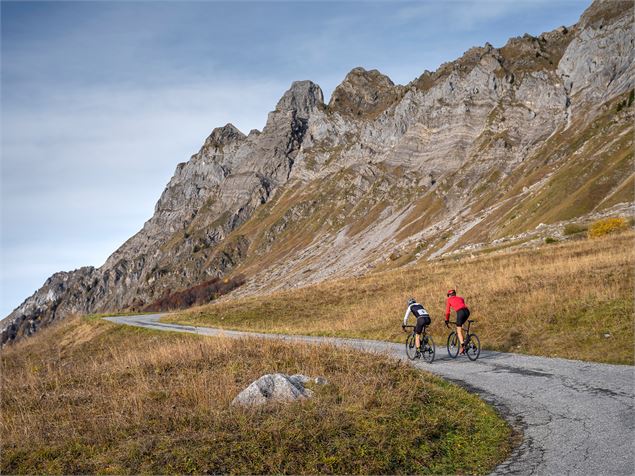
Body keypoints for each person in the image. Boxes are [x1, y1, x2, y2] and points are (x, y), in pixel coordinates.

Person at [444, 289, 470, 355]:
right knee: (461, 324)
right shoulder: (461, 298)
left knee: (458, 330)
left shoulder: (449, 300)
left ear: (450, 295)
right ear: (455, 294)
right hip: (467, 311)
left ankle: (463, 346)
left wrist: (447, 320)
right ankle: (467, 337)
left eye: (448, 295)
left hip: (460, 312)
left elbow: (447, 312)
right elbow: (462, 305)